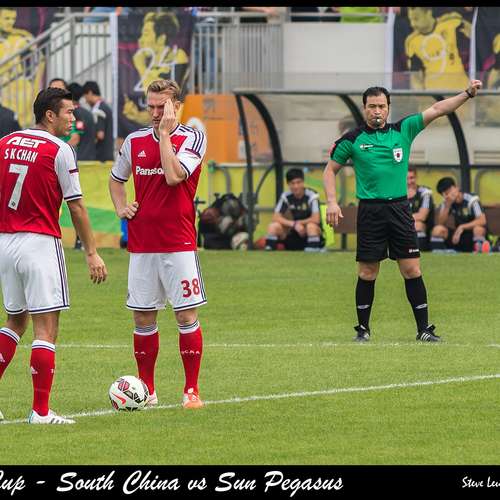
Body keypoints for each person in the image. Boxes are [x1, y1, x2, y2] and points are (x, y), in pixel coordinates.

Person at [324, 79, 483, 343]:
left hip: (399, 209)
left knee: (411, 270)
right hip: (370, 211)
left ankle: (424, 330)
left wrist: (467, 93)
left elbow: (438, 109)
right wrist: (332, 201)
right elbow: (330, 170)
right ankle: (362, 330)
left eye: (381, 106)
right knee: (367, 272)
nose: (377, 111)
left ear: (388, 108)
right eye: (372, 106)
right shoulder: (352, 139)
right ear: (364, 109)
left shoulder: (404, 130)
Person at [0, 87, 107, 424]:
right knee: (46, 328)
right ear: (50, 115)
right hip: (39, 242)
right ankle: (41, 412)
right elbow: (76, 206)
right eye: (68, 112)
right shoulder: (60, 150)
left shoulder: (5, 143)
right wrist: (92, 252)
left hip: (5, 242)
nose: (73, 119)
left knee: (15, 321)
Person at [109, 79, 207, 410]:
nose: (153, 113)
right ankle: (146, 391)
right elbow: (116, 179)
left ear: (176, 106)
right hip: (142, 244)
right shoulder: (134, 141)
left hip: (179, 242)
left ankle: (191, 390)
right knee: (142, 317)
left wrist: (164, 135)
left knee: (186, 315)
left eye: (160, 106)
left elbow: (174, 176)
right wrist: (122, 207)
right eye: (149, 106)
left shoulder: (192, 137)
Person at [405, 7, 470, 90]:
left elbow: (474, 36)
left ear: (428, 13)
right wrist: (420, 94)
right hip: (434, 93)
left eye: (416, 19)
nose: (412, 24)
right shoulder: (412, 41)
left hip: (461, 89)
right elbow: (415, 76)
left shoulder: (451, 22)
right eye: (411, 20)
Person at [265, 168, 324, 252]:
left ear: (303, 182)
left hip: (308, 233)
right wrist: (294, 224)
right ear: (288, 184)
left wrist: (299, 223)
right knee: (273, 226)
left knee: (311, 226)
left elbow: (316, 219)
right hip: (292, 233)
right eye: (292, 183)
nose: (296, 186)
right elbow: (275, 217)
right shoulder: (286, 196)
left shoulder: (312, 195)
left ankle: (314, 249)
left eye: (298, 182)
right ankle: (270, 252)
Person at [430, 177, 490, 253]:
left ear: (457, 188)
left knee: (478, 229)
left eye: (450, 190)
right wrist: (447, 206)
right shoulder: (447, 202)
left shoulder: (471, 199)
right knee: (437, 230)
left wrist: (462, 227)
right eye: (445, 194)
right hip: (458, 236)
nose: (449, 195)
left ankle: (479, 250)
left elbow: (482, 220)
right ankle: (438, 255)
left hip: (472, 234)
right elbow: (440, 223)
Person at [82, 81, 114, 162]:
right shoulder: (105, 106)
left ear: (90, 93)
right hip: (107, 154)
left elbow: (100, 135)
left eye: (85, 97)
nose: (85, 101)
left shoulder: (98, 110)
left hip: (101, 157)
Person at [407, 165, 434, 251]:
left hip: (426, 228)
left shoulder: (425, 192)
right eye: (406, 178)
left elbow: (422, 216)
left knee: (417, 225)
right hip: (404, 224)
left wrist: (401, 219)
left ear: (416, 177)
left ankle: (419, 252)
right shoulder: (399, 192)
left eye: (412, 178)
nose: (409, 181)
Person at [67, 82, 97, 161]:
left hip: (81, 158)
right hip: (91, 157)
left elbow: (76, 137)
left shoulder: (76, 113)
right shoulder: (88, 113)